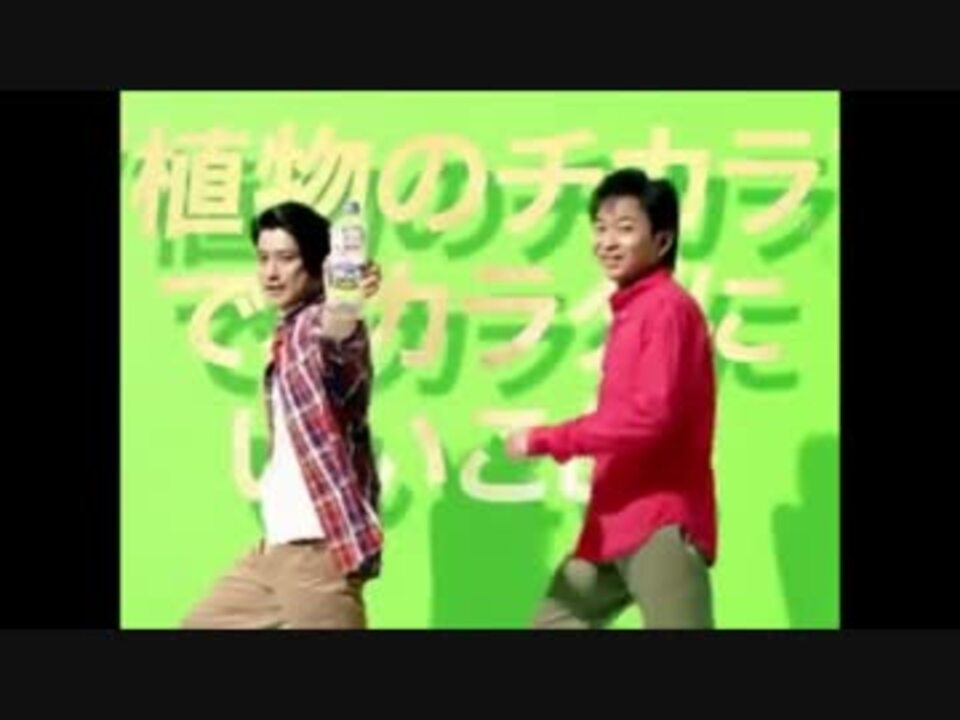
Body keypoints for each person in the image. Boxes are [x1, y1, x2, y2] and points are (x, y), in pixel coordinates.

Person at [505, 168, 718, 629]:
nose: (607, 242)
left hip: (658, 522)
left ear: (661, 241)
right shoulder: (634, 309)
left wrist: (547, 439)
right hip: (613, 524)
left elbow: (650, 418)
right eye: (600, 228)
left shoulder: (666, 308)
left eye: (624, 228)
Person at [182, 201, 383, 630]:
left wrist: (345, 297)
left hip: (317, 552)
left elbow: (337, 328)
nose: (271, 272)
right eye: (263, 258)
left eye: (286, 258)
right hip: (273, 553)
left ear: (316, 263)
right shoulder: (288, 332)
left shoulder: (314, 327)